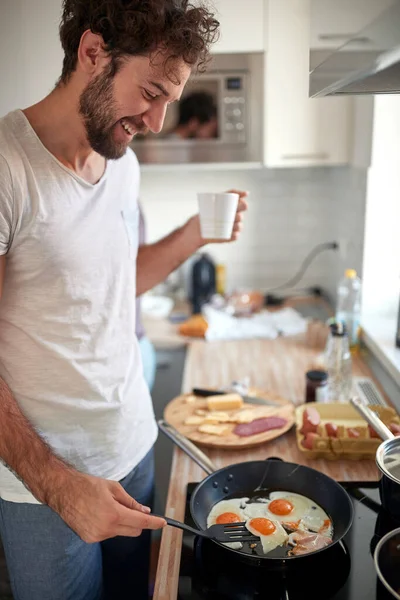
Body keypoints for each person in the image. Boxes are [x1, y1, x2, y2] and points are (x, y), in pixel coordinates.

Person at [0, 1, 248, 599]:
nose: (159, 120)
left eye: (171, 100)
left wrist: (196, 232)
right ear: (92, 54)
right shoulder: (9, 168)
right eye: (152, 92)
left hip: (135, 449)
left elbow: (115, 283)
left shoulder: (122, 163)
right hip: (46, 486)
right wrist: (59, 486)